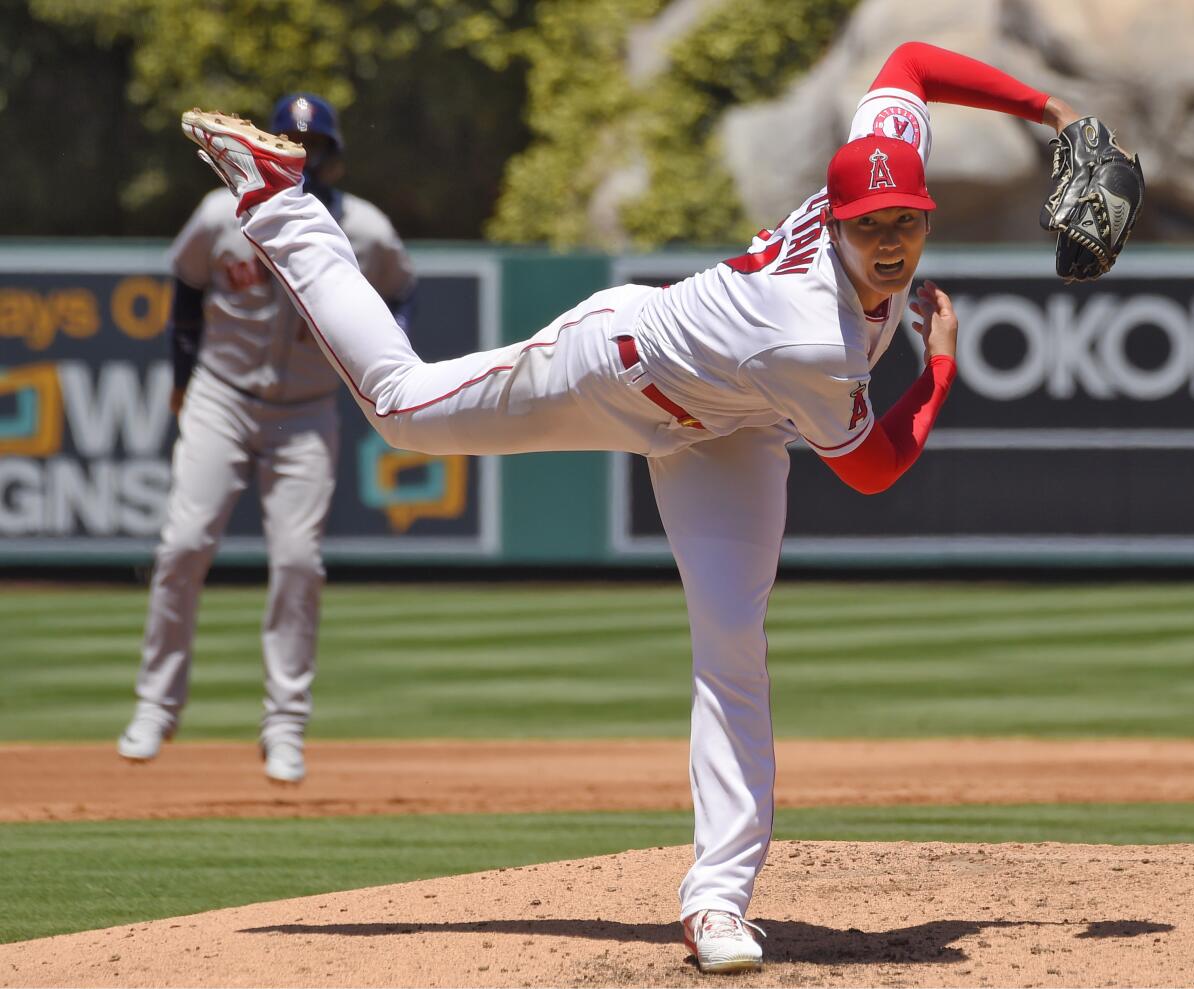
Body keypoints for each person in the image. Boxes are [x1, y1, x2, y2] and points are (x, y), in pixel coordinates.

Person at [179, 41, 1093, 968]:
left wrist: (1051, 110)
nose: (892, 241)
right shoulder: (809, 334)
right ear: (841, 221)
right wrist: (937, 363)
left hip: (736, 428)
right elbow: (872, 468)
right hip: (622, 367)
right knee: (403, 410)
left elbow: (910, 65)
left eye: (907, 219)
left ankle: (718, 905)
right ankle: (279, 198)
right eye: (870, 226)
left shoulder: (877, 170)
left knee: (732, 640)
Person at [118, 93, 417, 785]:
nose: (302, 155)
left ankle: (284, 726)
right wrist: (183, 376)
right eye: (288, 140)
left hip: (308, 407)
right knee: (183, 543)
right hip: (223, 394)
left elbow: (402, 290)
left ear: (335, 156)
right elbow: (187, 286)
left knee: (298, 561)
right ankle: (155, 707)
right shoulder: (220, 213)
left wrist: (390, 351)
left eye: (314, 146)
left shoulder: (365, 230)